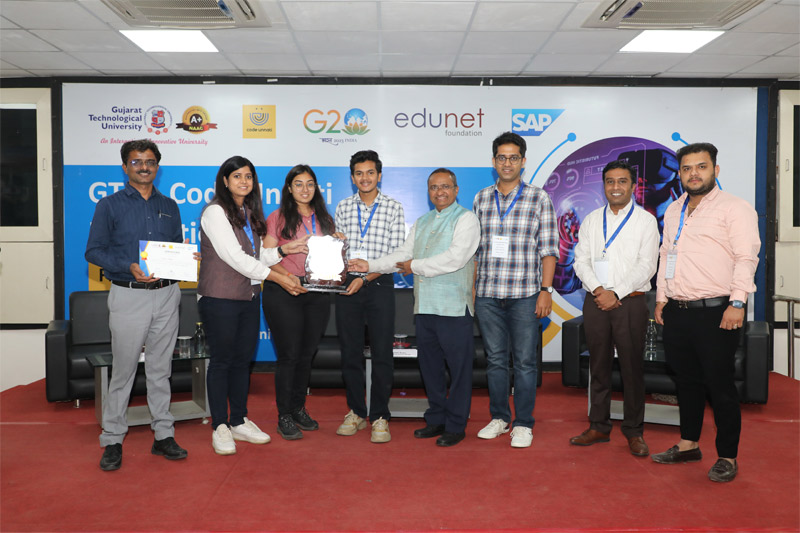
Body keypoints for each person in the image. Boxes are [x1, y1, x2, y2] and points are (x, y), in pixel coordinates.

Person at [651, 142, 760, 483]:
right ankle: (688, 444)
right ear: (680, 173)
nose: (693, 173)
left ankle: (727, 456)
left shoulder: (735, 208)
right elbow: (666, 253)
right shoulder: (674, 210)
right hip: (677, 311)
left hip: (717, 311)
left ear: (715, 169)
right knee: (686, 382)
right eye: (687, 168)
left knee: (720, 385)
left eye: (701, 166)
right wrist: (661, 297)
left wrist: (737, 303)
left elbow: (746, 258)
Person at [349, 169, 480, 447]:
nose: (439, 192)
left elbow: (455, 259)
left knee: (459, 371)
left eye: (445, 186)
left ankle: (456, 425)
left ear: (456, 190)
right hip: (425, 307)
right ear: (428, 191)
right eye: (434, 187)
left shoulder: (467, 219)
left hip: (454, 308)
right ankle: (436, 419)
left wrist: (414, 266)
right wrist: (370, 265)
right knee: (430, 369)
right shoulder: (422, 221)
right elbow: (402, 255)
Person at [86, 139, 190, 471]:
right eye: (136, 161)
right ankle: (113, 439)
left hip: (167, 294)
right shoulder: (109, 205)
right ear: (125, 167)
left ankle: (163, 434)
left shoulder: (170, 205)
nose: (144, 167)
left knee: (161, 370)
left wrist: (185, 260)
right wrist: (128, 264)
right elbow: (93, 251)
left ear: (157, 166)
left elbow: (175, 247)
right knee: (124, 371)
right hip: (128, 294)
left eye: (150, 162)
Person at [198, 156, 308, 455]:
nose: (244, 181)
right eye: (237, 176)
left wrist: (284, 250)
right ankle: (220, 425)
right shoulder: (215, 212)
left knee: (242, 361)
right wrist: (279, 278)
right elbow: (235, 257)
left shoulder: (249, 214)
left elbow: (258, 257)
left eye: (248, 176)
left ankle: (238, 419)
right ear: (225, 181)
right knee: (222, 361)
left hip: (248, 297)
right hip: (219, 298)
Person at [473, 131, 558, 448]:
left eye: (513, 157)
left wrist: (546, 290)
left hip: (525, 294)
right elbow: (476, 251)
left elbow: (549, 249)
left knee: (524, 363)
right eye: (501, 157)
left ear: (523, 161)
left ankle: (523, 423)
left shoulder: (539, 198)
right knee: (495, 361)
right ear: (493, 161)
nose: (507, 163)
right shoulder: (481, 198)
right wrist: (473, 291)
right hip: (488, 294)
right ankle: (499, 417)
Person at [570, 160, 659, 456]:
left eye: (622, 181)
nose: (615, 187)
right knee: (598, 366)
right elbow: (580, 260)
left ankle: (634, 431)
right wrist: (599, 290)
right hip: (596, 300)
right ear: (604, 185)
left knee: (632, 368)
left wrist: (615, 293)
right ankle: (598, 426)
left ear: (633, 186)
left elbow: (647, 265)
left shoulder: (645, 221)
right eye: (610, 181)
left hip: (630, 301)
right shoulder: (592, 220)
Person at [334, 150, 406, 444]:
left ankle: (379, 415)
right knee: (350, 352)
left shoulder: (393, 208)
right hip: (347, 285)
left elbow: (397, 256)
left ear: (379, 175)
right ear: (352, 177)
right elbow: (337, 253)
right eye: (359, 173)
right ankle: (355, 411)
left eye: (370, 172)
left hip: (379, 284)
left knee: (382, 353)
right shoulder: (342, 207)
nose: (365, 178)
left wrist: (365, 277)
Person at [262, 165, 336, 440]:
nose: (305, 189)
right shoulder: (278, 217)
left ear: (316, 188)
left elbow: (332, 259)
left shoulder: (325, 219)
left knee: (306, 355)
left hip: (317, 291)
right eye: (299, 184)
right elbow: (266, 255)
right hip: (284, 290)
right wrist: (286, 278)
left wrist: (339, 244)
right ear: (289, 188)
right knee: (289, 355)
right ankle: (284, 414)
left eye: (310, 184)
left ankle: (298, 408)